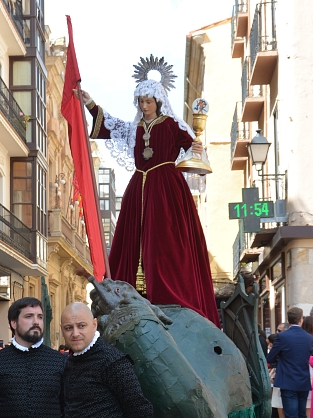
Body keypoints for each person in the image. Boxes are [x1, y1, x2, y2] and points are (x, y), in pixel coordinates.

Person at [76, 58, 219, 325]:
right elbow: (111, 126)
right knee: (132, 239)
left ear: (159, 101)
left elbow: (193, 149)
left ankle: (168, 294)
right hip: (139, 188)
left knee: (165, 240)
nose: (143, 106)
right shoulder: (136, 127)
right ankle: (131, 293)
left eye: (148, 101)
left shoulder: (172, 125)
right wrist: (90, 104)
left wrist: (196, 150)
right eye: (140, 102)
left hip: (166, 186)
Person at [267, 307, 313, 418]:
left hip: (288, 381)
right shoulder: (309, 337)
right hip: (303, 381)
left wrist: (281, 356)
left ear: (288, 320)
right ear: (301, 319)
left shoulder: (282, 336)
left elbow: (271, 357)